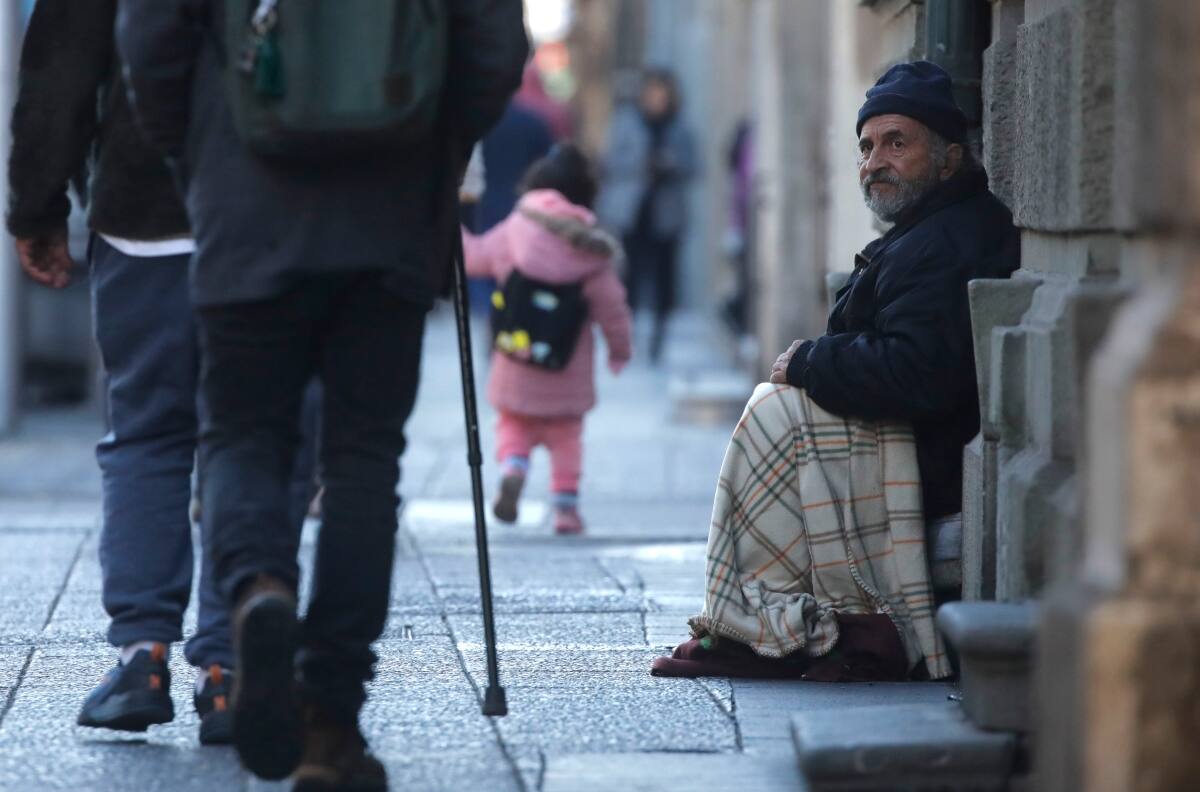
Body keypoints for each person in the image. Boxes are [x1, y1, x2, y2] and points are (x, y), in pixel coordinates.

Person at [115, 1, 527, 788]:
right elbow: (495, 49)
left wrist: (200, 156)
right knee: (364, 460)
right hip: (393, 212)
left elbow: (149, 36)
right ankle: (329, 717)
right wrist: (432, 151)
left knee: (241, 435)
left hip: (243, 207)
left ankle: (258, 587)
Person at [650, 61, 1020, 682]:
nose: (875, 161)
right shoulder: (924, 231)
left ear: (950, 157)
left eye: (897, 143)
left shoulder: (944, 240)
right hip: (905, 442)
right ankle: (754, 617)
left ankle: (764, 622)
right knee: (776, 407)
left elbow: (918, 371)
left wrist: (810, 360)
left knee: (778, 411)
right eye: (866, 146)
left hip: (924, 456)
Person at [5, 0, 238, 744]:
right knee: (256, 440)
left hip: (147, 210)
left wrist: (35, 206)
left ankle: (143, 656)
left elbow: (61, 66)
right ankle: (233, 664)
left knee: (146, 433)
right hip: (282, 214)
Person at [462, 144, 633, 535]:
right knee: (567, 440)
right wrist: (620, 351)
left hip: (516, 364)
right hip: (566, 371)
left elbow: (475, 258)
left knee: (512, 427)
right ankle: (566, 510)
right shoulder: (591, 248)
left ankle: (514, 468)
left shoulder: (517, 229)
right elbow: (613, 308)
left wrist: (451, 225)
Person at [597, 68, 697, 362]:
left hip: (665, 214)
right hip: (633, 212)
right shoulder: (627, 123)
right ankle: (626, 336)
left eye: (662, 94)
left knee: (665, 278)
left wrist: (670, 164)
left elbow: (694, 165)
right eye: (652, 93)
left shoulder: (679, 127)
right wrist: (642, 164)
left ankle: (658, 338)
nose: (657, 100)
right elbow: (610, 161)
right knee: (630, 276)